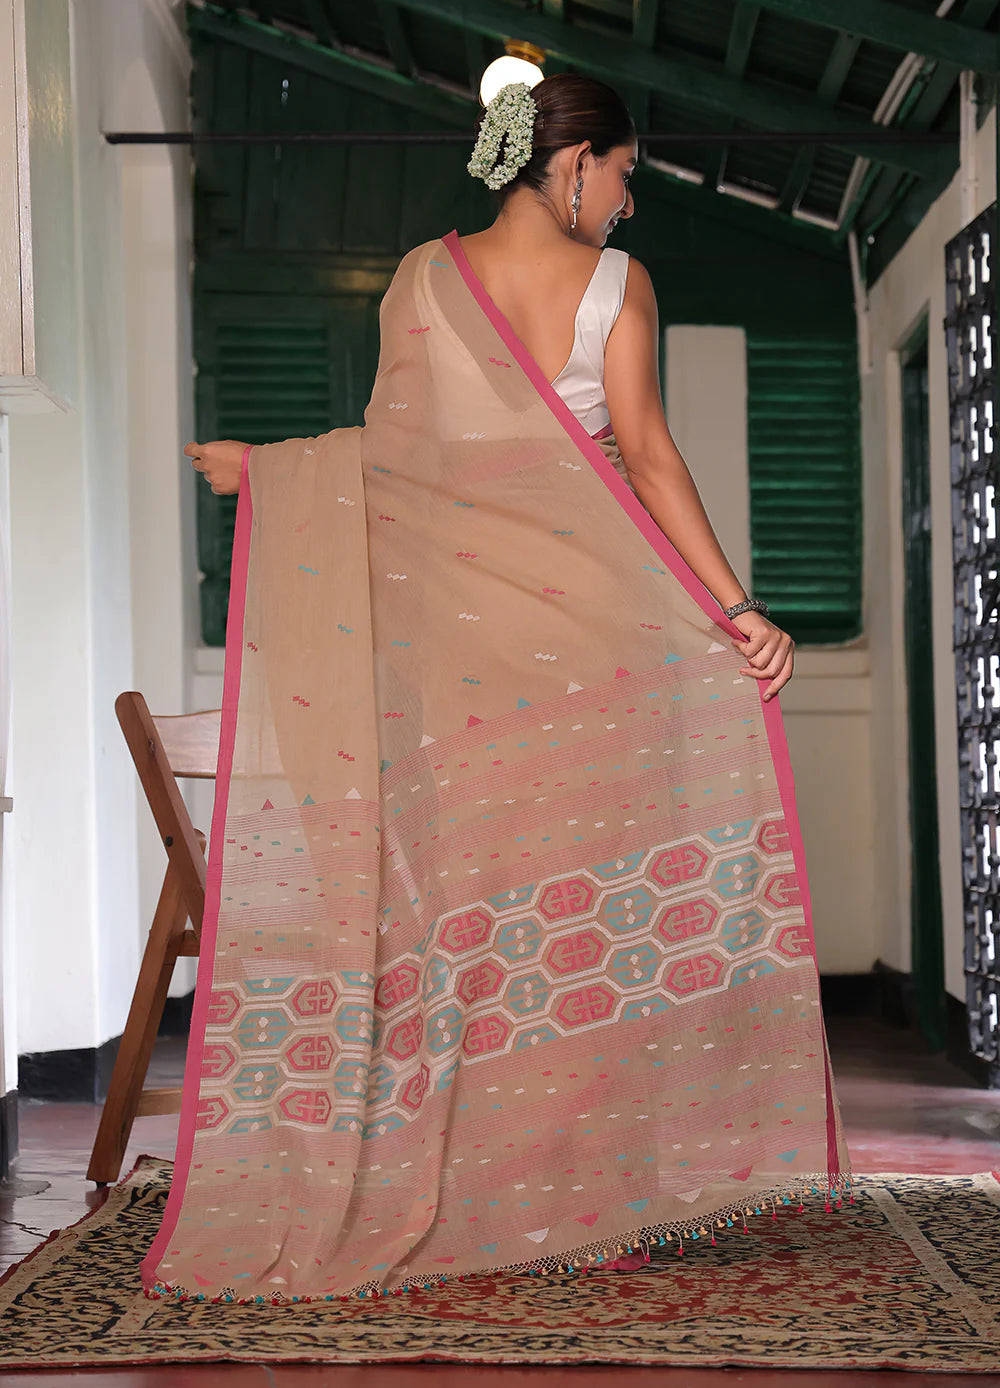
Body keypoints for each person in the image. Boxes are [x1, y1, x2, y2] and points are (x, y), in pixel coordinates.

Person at [151, 73, 849, 1307]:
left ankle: (490, 1189)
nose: (629, 206)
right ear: (571, 163)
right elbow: (645, 455)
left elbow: (403, 464)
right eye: (626, 174)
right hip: (604, 648)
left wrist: (268, 470)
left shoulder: (421, 277)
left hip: (468, 681)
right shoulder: (616, 290)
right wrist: (734, 611)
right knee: (586, 929)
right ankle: (600, 1204)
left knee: (480, 930)